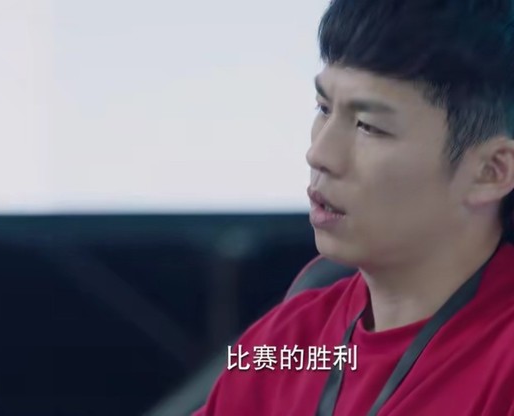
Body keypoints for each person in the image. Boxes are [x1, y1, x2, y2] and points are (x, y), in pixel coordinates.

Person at [193, 0, 514, 415]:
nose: (319, 154)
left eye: (369, 127)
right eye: (323, 109)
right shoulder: (287, 341)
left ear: (490, 171)